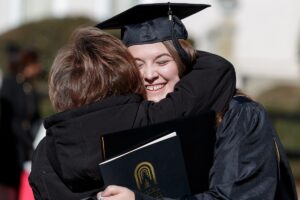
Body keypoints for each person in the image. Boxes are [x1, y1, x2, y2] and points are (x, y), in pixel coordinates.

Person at [96, 3, 298, 200]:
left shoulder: (238, 115)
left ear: (182, 62)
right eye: (138, 65)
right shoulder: (134, 116)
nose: (149, 74)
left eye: (162, 62)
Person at [28, 25, 236, 199]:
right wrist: (176, 47)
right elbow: (218, 70)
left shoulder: (44, 154)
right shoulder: (147, 120)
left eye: (161, 62)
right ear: (124, 76)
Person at [0, 44, 42, 200]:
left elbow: (33, 116)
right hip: (10, 148)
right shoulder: (10, 83)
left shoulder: (28, 87)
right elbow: (10, 119)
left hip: (24, 149)